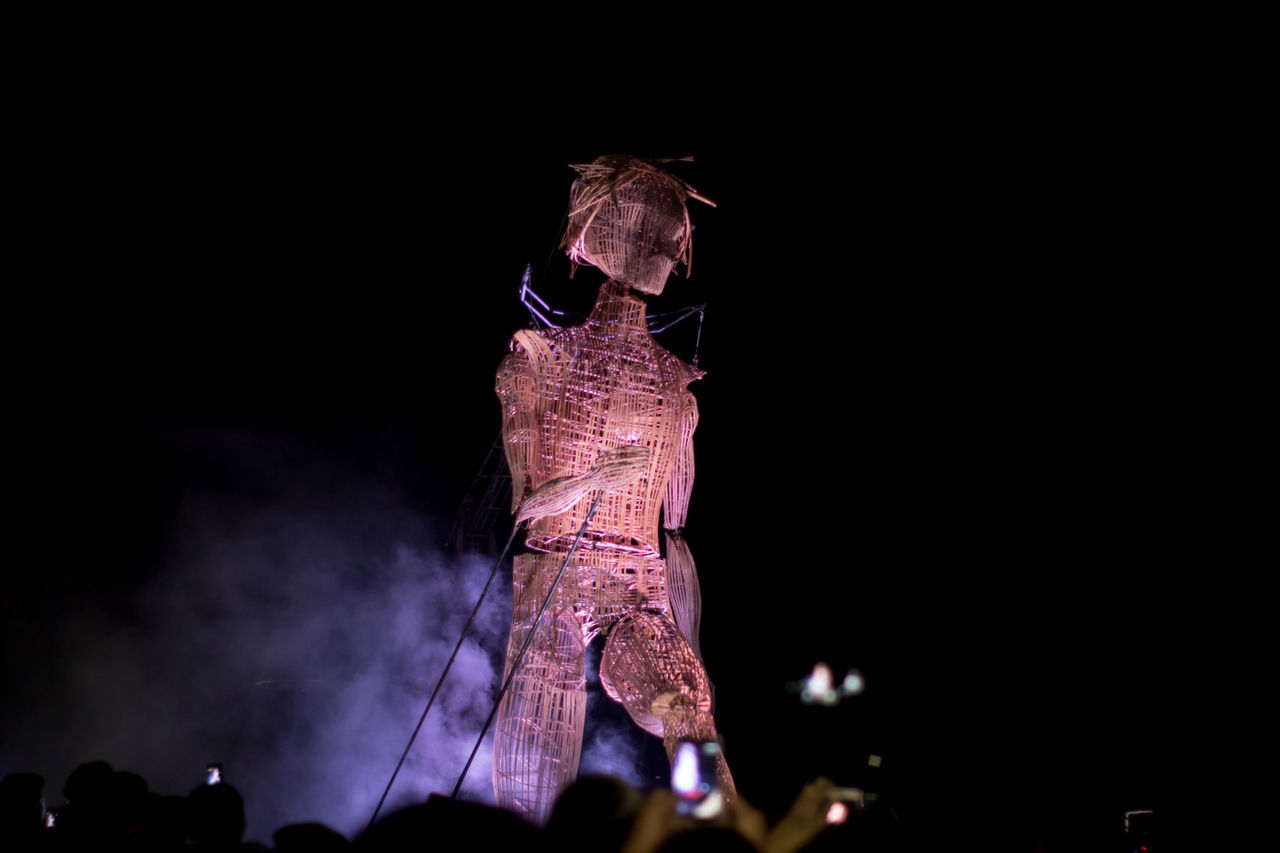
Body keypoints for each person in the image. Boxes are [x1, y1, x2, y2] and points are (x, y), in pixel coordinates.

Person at [493, 155, 731, 823]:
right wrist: (593, 479)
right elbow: (527, 509)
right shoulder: (540, 359)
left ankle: (722, 827)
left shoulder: (676, 386)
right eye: (640, 219)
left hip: (638, 588)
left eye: (663, 226)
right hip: (558, 576)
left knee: (685, 699)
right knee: (537, 768)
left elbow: (674, 521)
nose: (652, 240)